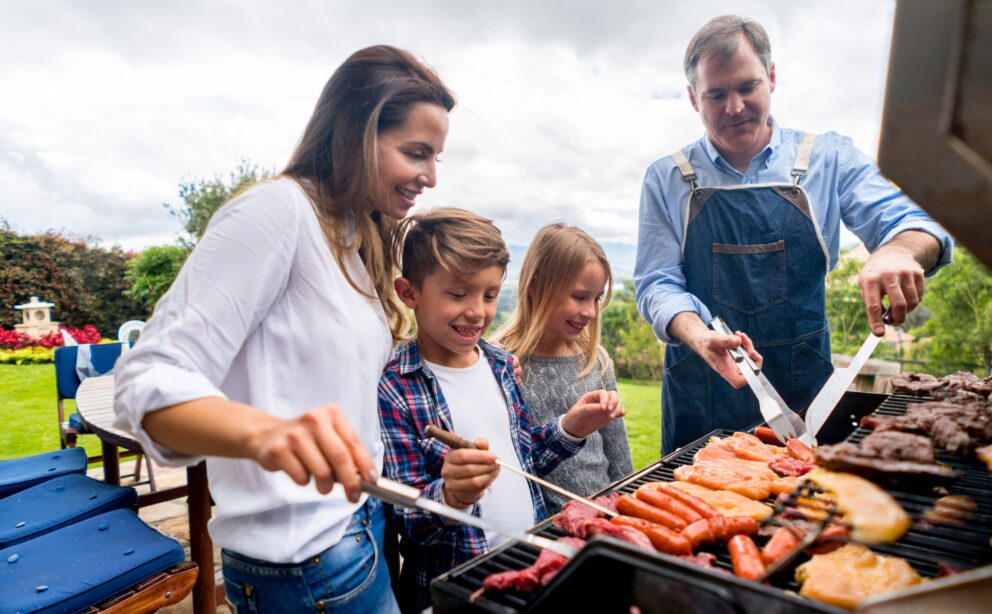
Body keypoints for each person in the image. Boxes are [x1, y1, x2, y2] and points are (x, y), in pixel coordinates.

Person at [113, 45, 455, 613]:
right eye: (416, 152)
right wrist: (266, 433)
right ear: (355, 133)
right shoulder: (275, 212)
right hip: (304, 569)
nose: (431, 176)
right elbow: (145, 381)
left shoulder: (351, 234)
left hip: (357, 532)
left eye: (437, 157)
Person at [633, 16, 954, 453]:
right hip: (699, 390)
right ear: (693, 98)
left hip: (807, 393)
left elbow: (917, 226)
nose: (734, 107)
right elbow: (657, 283)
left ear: (771, 77)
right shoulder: (667, 177)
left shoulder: (828, 157)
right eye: (716, 94)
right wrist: (696, 333)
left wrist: (898, 251)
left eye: (747, 87)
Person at [378, 208, 624, 612]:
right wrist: (453, 495)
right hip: (463, 584)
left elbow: (524, 460)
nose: (478, 310)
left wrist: (571, 427)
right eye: (458, 294)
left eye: (490, 295)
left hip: (526, 561)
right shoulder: (396, 387)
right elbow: (409, 520)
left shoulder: (499, 365)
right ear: (409, 293)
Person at [494, 222, 633, 516]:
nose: (591, 312)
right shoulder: (501, 363)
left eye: (596, 298)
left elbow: (618, 456)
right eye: (580, 297)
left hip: (603, 517)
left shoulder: (596, 361)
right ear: (536, 286)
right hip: (542, 528)